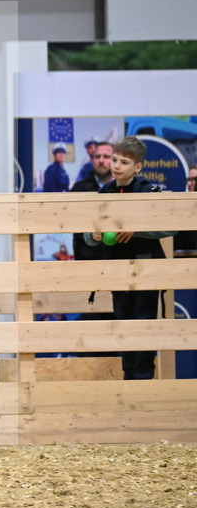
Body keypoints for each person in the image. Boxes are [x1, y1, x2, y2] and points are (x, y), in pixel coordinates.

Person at [84, 136, 176, 380]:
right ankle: (129, 376)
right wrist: (94, 235)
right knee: (123, 323)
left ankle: (144, 376)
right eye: (114, 160)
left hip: (146, 268)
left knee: (144, 323)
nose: (116, 165)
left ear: (137, 167)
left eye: (123, 162)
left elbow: (172, 227)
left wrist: (138, 230)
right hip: (117, 270)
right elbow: (87, 235)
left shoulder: (148, 191)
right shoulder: (103, 193)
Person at [70, 140, 114, 261]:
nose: (101, 160)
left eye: (106, 156)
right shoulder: (79, 189)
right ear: (92, 160)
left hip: (121, 261)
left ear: (115, 160)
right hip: (87, 261)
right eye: (97, 157)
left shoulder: (126, 188)